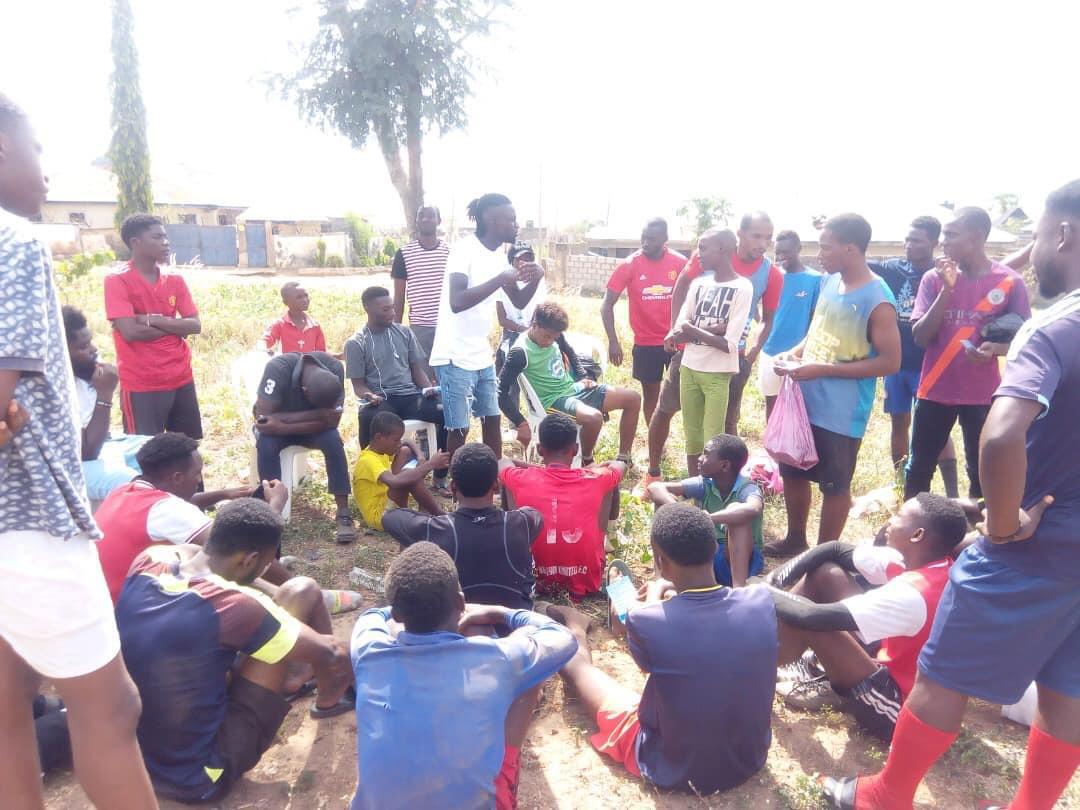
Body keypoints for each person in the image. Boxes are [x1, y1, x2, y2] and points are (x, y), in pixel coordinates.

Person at [822, 180, 1080, 810]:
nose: (1035, 249)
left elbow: (1001, 436)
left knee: (942, 673)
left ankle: (886, 795)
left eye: (1038, 235)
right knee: (1070, 688)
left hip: (1037, 545)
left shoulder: (1055, 329)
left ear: (1064, 234)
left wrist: (1000, 523)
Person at [0, 92, 157, 809]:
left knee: (8, 706)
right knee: (111, 708)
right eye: (36, 149)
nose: (45, 171)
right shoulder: (13, 240)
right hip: (28, 517)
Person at [116, 499, 353, 804]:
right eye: (266, 563)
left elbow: (201, 558)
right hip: (198, 778)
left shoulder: (149, 560)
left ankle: (300, 676)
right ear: (249, 559)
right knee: (305, 602)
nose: (266, 569)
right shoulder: (235, 607)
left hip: (130, 757)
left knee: (302, 591)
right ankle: (329, 698)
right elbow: (332, 653)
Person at [545, 503, 776, 795]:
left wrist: (653, 594)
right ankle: (616, 608)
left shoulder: (646, 621)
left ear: (660, 561)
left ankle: (576, 624)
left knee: (581, 670)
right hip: (748, 759)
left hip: (673, 767)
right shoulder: (760, 600)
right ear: (714, 549)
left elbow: (645, 649)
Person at [350, 541, 577, 810]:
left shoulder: (368, 651)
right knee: (528, 658)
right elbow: (563, 638)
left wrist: (405, 604)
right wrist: (501, 613)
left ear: (399, 613)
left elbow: (372, 615)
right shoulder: (496, 660)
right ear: (460, 603)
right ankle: (505, 774)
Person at [768, 494, 967, 742]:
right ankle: (781, 662)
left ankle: (758, 671)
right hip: (888, 660)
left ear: (917, 535)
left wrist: (761, 591)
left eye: (899, 516)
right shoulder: (927, 561)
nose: (890, 521)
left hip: (898, 708)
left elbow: (809, 617)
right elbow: (834, 549)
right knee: (826, 574)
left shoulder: (914, 593)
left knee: (815, 623)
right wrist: (774, 579)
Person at [765, 214, 901, 557]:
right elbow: (818, 330)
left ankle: (823, 556)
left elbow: (890, 362)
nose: (819, 254)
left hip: (841, 412)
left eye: (826, 247)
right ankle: (796, 538)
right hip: (805, 400)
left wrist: (823, 369)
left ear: (851, 249)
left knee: (834, 484)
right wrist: (793, 353)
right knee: (793, 470)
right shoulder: (830, 282)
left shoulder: (878, 299)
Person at [638, 212, 782, 492]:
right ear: (739, 235)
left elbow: (767, 319)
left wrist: (751, 353)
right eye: (756, 236)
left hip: (730, 360)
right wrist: (676, 331)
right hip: (689, 355)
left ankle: (725, 490)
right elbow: (682, 287)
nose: (762, 243)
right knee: (665, 409)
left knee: (726, 426)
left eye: (767, 238)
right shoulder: (707, 256)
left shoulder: (769, 274)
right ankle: (653, 474)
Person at [904, 207, 1031, 500]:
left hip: (982, 395)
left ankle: (980, 527)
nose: (943, 241)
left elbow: (1025, 339)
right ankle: (913, 525)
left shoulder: (1009, 282)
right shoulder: (933, 279)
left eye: (951, 235)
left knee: (982, 471)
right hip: (934, 390)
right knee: (919, 468)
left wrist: (996, 349)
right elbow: (920, 337)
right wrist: (947, 291)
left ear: (977, 237)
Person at [94, 431, 284, 603]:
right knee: (222, 563)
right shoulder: (168, 510)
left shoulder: (123, 491)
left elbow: (177, 502)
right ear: (177, 478)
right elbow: (242, 548)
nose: (199, 479)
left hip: (109, 603)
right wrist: (275, 504)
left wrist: (225, 494)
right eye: (197, 472)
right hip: (136, 613)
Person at [429, 193, 543, 459]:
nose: (516, 225)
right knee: (460, 427)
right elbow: (457, 301)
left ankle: (494, 477)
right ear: (492, 221)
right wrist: (500, 279)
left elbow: (518, 300)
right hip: (454, 356)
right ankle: (457, 480)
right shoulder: (464, 250)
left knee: (492, 419)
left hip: (480, 354)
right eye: (511, 219)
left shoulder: (498, 257)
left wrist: (537, 278)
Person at [383, 442, 541, 610]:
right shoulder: (523, 522)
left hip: (459, 619)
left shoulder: (436, 530)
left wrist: (434, 513)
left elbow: (390, 518)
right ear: (496, 485)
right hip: (514, 622)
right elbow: (534, 515)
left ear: (453, 487)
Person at [868, 217, 959, 495]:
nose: (909, 245)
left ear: (934, 243)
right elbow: (857, 260)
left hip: (930, 364)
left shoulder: (942, 274)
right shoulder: (893, 268)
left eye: (916, 241)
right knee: (899, 421)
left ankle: (953, 493)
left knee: (936, 427)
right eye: (907, 240)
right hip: (896, 364)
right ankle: (901, 483)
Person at [498, 301, 641, 465]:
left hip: (573, 388)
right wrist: (520, 422)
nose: (551, 341)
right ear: (535, 325)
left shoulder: (554, 334)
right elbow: (500, 391)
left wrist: (582, 376)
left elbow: (570, 352)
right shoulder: (520, 352)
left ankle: (624, 458)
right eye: (547, 337)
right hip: (553, 400)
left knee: (633, 398)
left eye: (554, 338)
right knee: (594, 418)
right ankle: (587, 461)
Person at [500, 413, 625, 598]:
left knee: (507, 481)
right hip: (588, 580)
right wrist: (585, 470)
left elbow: (502, 462)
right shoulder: (595, 478)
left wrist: (541, 470)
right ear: (575, 449)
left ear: (540, 449)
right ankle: (610, 542)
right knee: (611, 483)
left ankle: (514, 546)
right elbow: (619, 465)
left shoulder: (522, 477)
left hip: (533, 580)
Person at [105, 213, 203, 439]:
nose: (165, 243)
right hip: (142, 383)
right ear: (135, 242)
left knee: (186, 446)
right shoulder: (117, 280)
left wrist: (152, 319)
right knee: (144, 449)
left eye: (165, 237)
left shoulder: (175, 279)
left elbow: (195, 325)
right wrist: (176, 326)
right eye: (157, 238)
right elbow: (130, 332)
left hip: (181, 376)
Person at [666, 229, 752, 471]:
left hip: (717, 374)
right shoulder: (698, 284)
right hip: (689, 368)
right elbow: (678, 332)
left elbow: (729, 344)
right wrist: (713, 329)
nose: (698, 253)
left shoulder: (742, 287)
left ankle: (711, 489)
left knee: (713, 441)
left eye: (703, 248)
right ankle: (695, 486)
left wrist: (692, 329)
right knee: (692, 437)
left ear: (723, 248)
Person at [344, 285, 447, 487]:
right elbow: (358, 385)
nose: (392, 312)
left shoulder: (404, 332)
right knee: (368, 417)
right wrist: (369, 396)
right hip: (381, 399)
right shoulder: (356, 343)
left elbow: (417, 370)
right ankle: (372, 475)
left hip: (410, 396)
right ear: (367, 308)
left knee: (444, 412)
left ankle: (440, 476)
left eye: (392, 307)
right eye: (385, 309)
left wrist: (428, 389)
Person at [254, 350, 355, 542]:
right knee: (266, 444)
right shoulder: (278, 368)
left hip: (303, 429)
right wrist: (319, 415)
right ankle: (270, 514)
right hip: (277, 432)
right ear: (305, 390)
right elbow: (263, 420)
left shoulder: (335, 369)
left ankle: (343, 512)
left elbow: (333, 421)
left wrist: (283, 423)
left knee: (333, 440)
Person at [646, 434, 764, 587]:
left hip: (741, 559)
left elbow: (754, 508)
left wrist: (709, 518)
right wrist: (682, 513)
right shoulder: (705, 484)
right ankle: (661, 579)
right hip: (707, 555)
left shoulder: (747, 487)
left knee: (736, 512)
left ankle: (739, 589)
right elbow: (655, 487)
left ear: (725, 466)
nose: (700, 458)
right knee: (662, 504)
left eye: (706, 454)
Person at [601, 218, 686, 425]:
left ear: (665, 239)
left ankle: (680, 432)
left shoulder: (680, 263)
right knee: (651, 394)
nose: (646, 243)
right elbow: (606, 305)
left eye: (652, 239)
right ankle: (654, 435)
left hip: (677, 341)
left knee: (684, 394)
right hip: (646, 343)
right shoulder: (629, 265)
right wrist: (613, 341)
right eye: (644, 238)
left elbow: (693, 299)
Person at [63, 304, 150, 501]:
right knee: (130, 481)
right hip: (73, 463)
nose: (94, 350)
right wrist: (105, 395)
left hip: (106, 443)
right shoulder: (56, 388)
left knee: (173, 452)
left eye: (90, 342)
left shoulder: (85, 365)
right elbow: (87, 453)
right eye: (83, 347)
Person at [758, 230, 822, 420]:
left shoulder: (815, 279)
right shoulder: (772, 275)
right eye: (778, 252)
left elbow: (815, 319)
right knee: (771, 403)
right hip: (770, 351)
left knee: (797, 408)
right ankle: (771, 438)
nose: (781, 256)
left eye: (786, 252)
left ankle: (793, 440)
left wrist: (805, 351)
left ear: (799, 249)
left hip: (798, 355)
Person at [352, 411, 449, 532]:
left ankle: (423, 511)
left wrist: (420, 456)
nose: (399, 443)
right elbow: (394, 482)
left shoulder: (378, 450)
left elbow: (407, 441)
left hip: (387, 503)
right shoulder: (368, 460)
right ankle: (439, 514)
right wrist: (431, 464)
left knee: (404, 452)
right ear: (379, 437)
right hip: (381, 517)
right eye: (396, 440)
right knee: (409, 477)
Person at [392, 204, 449, 374]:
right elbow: (399, 297)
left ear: (439, 220)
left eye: (430, 215)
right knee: (423, 378)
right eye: (421, 215)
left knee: (448, 376)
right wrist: (396, 331)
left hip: (447, 326)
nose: (425, 219)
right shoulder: (404, 253)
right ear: (416, 221)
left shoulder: (451, 252)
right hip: (419, 329)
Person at [495, 241, 548, 423]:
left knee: (536, 381)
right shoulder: (504, 280)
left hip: (534, 335)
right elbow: (502, 319)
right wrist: (522, 330)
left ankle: (541, 419)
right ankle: (515, 423)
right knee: (510, 385)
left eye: (529, 258)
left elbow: (541, 310)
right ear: (512, 261)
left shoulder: (538, 281)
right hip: (512, 335)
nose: (525, 263)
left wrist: (531, 331)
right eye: (521, 259)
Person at [259, 281, 327, 354]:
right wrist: (264, 348)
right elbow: (264, 341)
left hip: (308, 361)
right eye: (299, 297)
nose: (305, 300)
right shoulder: (279, 324)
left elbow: (321, 353)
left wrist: (335, 356)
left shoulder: (314, 326)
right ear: (285, 302)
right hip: (288, 361)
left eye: (306, 295)